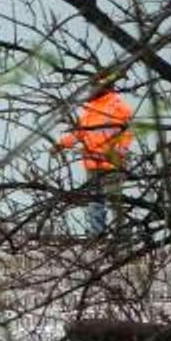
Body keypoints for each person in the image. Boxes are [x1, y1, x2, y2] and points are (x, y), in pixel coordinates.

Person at [51, 70, 134, 236]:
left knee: (115, 202)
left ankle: (123, 237)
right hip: (91, 164)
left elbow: (128, 132)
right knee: (94, 203)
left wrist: (118, 153)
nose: (90, 90)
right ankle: (96, 238)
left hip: (112, 163)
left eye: (93, 86)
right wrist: (61, 145)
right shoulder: (91, 108)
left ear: (105, 86)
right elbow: (80, 133)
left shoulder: (119, 106)